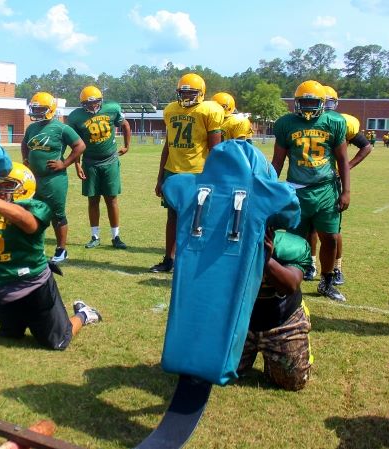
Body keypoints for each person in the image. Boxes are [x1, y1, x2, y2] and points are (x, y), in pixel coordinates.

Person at [0, 162, 102, 350]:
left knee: (58, 341)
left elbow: (28, 223)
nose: (0, 190)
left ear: (24, 188)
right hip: (1, 289)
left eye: (8, 185)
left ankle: (84, 314)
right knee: (11, 335)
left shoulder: (36, 207)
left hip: (33, 287)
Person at [271, 80, 349, 302]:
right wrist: (269, 188)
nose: (307, 106)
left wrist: (346, 191)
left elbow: (342, 160)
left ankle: (327, 281)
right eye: (303, 102)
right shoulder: (286, 124)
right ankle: (289, 282)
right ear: (296, 102)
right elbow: (277, 161)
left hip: (326, 188)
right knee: (294, 241)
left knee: (330, 237)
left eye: (311, 102)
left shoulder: (334, 122)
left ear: (322, 103)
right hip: (296, 189)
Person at [149, 74, 224, 273]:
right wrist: (160, 177)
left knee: (199, 218)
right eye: (183, 92)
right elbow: (168, 145)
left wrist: (215, 177)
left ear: (201, 93)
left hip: (198, 173)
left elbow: (215, 149)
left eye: (191, 93)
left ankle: (195, 261)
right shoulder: (171, 110)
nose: (186, 96)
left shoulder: (209, 110)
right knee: (172, 216)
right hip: (173, 171)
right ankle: (169, 259)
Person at [301, 85, 373, 285]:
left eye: (329, 102)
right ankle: (310, 264)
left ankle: (336, 268)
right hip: (308, 180)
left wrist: (346, 168)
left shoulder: (342, 122)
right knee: (310, 228)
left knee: (332, 230)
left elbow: (366, 146)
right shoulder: (303, 122)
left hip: (330, 182)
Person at [238, 228, 313, 391]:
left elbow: (290, 285)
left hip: (283, 322)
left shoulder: (290, 245)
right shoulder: (227, 240)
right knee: (215, 369)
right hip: (239, 321)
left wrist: (267, 260)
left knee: (294, 380)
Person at [21, 92, 86, 264]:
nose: (36, 112)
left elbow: (80, 145)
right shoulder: (31, 128)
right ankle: (37, 249)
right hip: (34, 179)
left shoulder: (61, 128)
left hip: (54, 179)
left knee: (57, 214)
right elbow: (24, 143)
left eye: (40, 109)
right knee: (34, 213)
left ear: (50, 109)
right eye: (35, 109)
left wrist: (64, 164)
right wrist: (26, 160)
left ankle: (61, 250)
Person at [66, 86, 132, 250]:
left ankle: (116, 236)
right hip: (90, 162)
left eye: (96, 102)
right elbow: (76, 143)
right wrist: (77, 164)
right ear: (82, 104)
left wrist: (127, 145)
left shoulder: (112, 108)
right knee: (93, 199)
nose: (93, 106)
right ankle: (95, 236)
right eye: (89, 103)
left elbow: (125, 125)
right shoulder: (75, 117)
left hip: (110, 160)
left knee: (112, 199)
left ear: (101, 100)